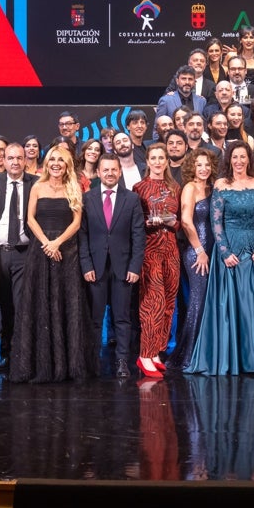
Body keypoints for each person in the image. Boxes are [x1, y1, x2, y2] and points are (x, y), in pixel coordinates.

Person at [13, 146, 96, 382]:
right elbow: (29, 218)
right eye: (52, 159)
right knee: (41, 304)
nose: (56, 163)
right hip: (40, 252)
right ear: (46, 163)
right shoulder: (37, 187)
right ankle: (42, 366)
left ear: (67, 164)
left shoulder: (74, 188)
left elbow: (77, 223)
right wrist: (47, 244)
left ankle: (67, 366)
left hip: (66, 251)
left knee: (66, 304)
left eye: (61, 159)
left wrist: (57, 243)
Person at [186, 143, 254, 375]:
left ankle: (252, 360)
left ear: (249, 159)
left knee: (251, 307)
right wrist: (223, 252)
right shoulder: (222, 185)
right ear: (229, 160)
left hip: (253, 251)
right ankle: (229, 359)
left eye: (243, 157)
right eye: (235, 157)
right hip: (229, 252)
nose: (239, 161)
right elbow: (216, 222)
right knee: (228, 307)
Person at [79, 154, 145, 379]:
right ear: (98, 173)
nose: (109, 173)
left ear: (119, 172)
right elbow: (82, 235)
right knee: (95, 319)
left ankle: (121, 362)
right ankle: (92, 362)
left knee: (122, 318)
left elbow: (138, 236)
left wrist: (135, 267)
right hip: (95, 269)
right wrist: (86, 264)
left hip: (124, 268)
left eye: (113, 170)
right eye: (105, 170)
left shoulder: (132, 199)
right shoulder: (87, 199)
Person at [0, 141, 36, 373]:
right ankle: (5, 353)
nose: (15, 162)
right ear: (2, 161)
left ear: (25, 160)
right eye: (10, 158)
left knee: (22, 305)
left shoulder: (35, 184)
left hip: (25, 254)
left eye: (19, 158)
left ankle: (22, 354)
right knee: (5, 305)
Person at [133, 145, 181, 379]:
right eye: (154, 158)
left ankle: (156, 352)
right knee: (153, 302)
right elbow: (134, 223)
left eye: (162, 158)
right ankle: (144, 354)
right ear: (148, 161)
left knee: (169, 302)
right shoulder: (139, 188)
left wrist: (173, 223)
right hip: (149, 250)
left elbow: (181, 222)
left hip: (171, 249)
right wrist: (147, 223)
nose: (158, 161)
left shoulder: (175, 188)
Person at [175, 149, 215, 370]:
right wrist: (199, 250)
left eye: (207, 164)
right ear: (192, 166)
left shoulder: (212, 187)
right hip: (197, 252)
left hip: (213, 252)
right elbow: (186, 222)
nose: (203, 168)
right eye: (199, 165)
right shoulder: (189, 188)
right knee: (198, 301)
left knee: (211, 303)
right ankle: (190, 355)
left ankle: (208, 353)